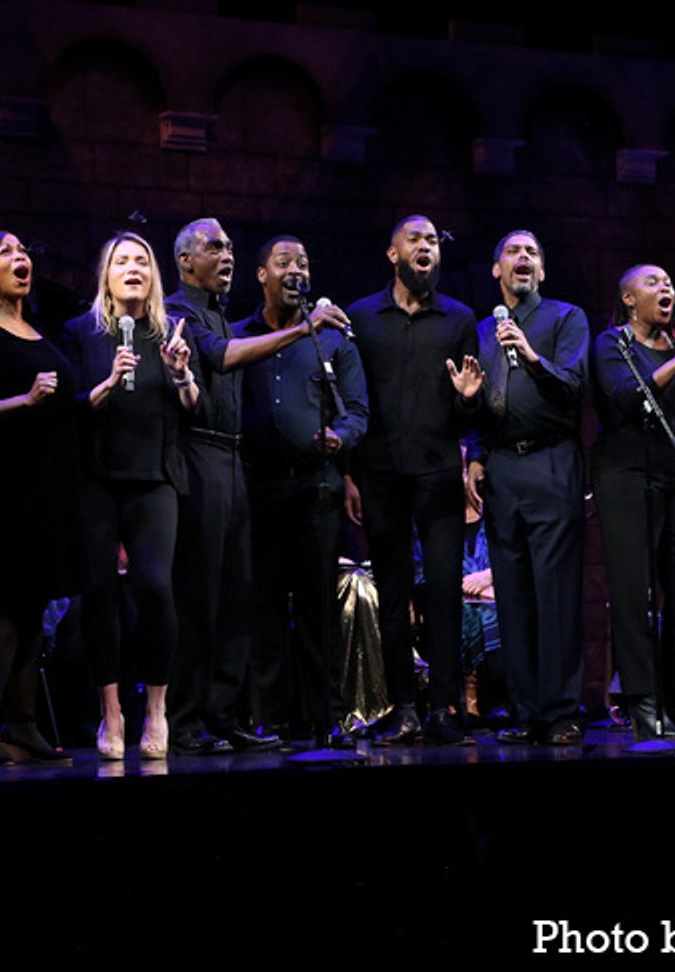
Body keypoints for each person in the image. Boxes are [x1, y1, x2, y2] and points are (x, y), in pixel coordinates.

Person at [167, 218, 350, 753]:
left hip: (233, 459)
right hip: (200, 452)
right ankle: (185, 722)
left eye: (228, 246)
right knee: (201, 595)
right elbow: (221, 359)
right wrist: (303, 329)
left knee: (234, 599)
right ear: (185, 261)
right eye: (213, 247)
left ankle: (224, 715)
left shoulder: (222, 315)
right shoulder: (181, 312)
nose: (225, 254)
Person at [344, 215, 482, 745]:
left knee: (444, 592)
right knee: (393, 590)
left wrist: (468, 400)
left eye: (432, 241)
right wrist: (351, 474)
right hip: (379, 472)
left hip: (438, 470)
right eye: (415, 240)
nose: (426, 247)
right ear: (392, 253)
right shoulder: (362, 317)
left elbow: (467, 404)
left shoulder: (459, 318)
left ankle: (444, 708)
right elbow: (352, 401)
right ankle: (402, 705)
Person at [62, 231, 198, 760]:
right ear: (107, 274)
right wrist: (107, 383)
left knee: (157, 590)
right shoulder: (82, 332)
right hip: (98, 479)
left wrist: (181, 373)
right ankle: (112, 712)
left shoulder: (170, 333)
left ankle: (157, 709)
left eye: (142, 260)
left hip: (156, 477)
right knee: (99, 592)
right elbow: (71, 408)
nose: (133, 268)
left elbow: (194, 405)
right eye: (122, 260)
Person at [0, 231, 79, 764]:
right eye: (7, 252)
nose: (21, 258)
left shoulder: (34, 330)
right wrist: (24, 401)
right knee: (7, 604)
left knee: (33, 606)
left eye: (25, 250)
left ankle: (24, 723)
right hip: (7, 485)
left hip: (48, 485)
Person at [235, 235, 368, 746]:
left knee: (318, 612)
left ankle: (323, 718)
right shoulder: (239, 336)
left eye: (304, 263)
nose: (296, 270)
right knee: (263, 608)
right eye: (284, 262)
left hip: (316, 488)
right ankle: (267, 717)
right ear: (262, 275)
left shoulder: (333, 338)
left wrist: (340, 437)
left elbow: (356, 410)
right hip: (255, 490)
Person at [591, 264, 675, 741]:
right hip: (626, 477)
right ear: (628, 299)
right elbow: (626, 400)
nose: (666, 288)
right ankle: (642, 704)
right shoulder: (613, 346)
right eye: (653, 283)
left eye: (669, 283)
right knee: (634, 595)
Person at [464, 230, 588, 745]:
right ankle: (525, 710)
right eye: (513, 252)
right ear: (496, 270)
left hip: (551, 460)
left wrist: (532, 356)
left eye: (532, 253)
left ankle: (560, 711)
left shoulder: (564, 318)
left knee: (554, 590)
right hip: (502, 468)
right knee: (512, 592)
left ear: (542, 270)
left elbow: (574, 386)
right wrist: (473, 451)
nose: (522, 259)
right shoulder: (481, 329)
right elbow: (477, 398)